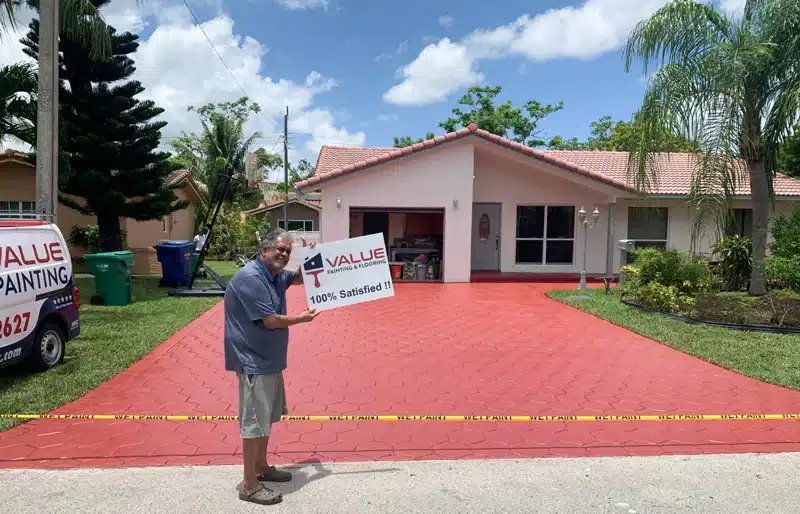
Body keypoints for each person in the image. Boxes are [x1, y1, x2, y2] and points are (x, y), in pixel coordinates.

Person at [223, 229, 320, 505]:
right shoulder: (252, 278)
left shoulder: (275, 275)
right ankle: (249, 484)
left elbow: (301, 277)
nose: (284, 254)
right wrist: (300, 319)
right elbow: (270, 320)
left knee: (264, 419)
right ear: (263, 250)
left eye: (288, 251)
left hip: (269, 360)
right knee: (254, 423)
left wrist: (311, 253)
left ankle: (261, 467)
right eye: (279, 249)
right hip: (253, 360)